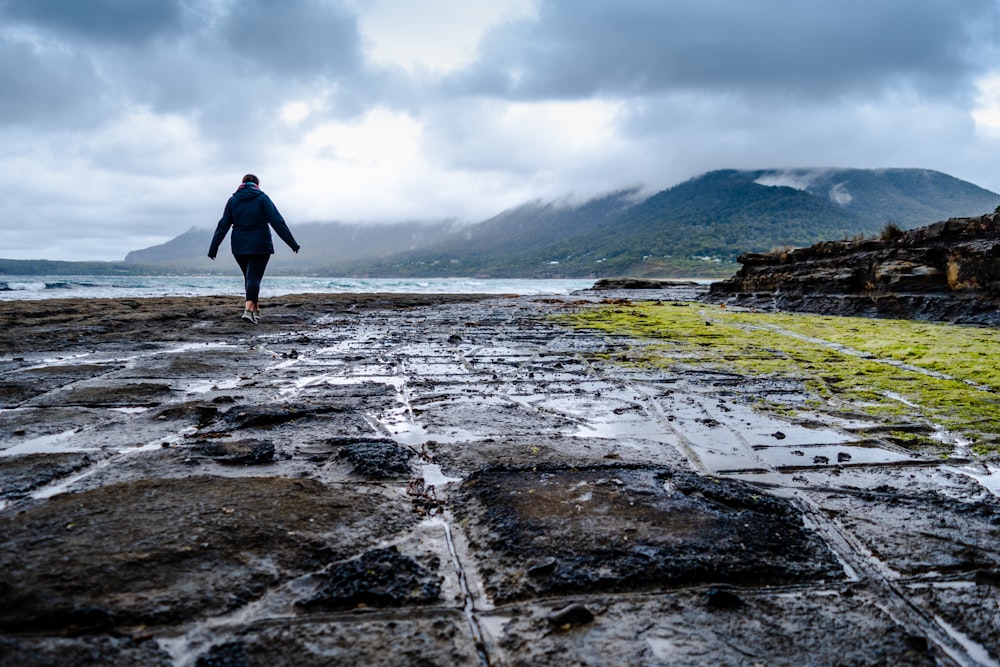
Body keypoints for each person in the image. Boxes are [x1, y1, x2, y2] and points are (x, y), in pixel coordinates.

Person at [208, 174, 300, 324]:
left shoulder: (233, 200)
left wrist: (213, 248)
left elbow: (223, 225)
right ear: (257, 184)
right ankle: (248, 310)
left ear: (242, 183)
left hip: (239, 245)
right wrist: (292, 243)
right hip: (260, 244)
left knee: (250, 277)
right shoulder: (262, 198)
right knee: (254, 278)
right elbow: (277, 221)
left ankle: (255, 311)